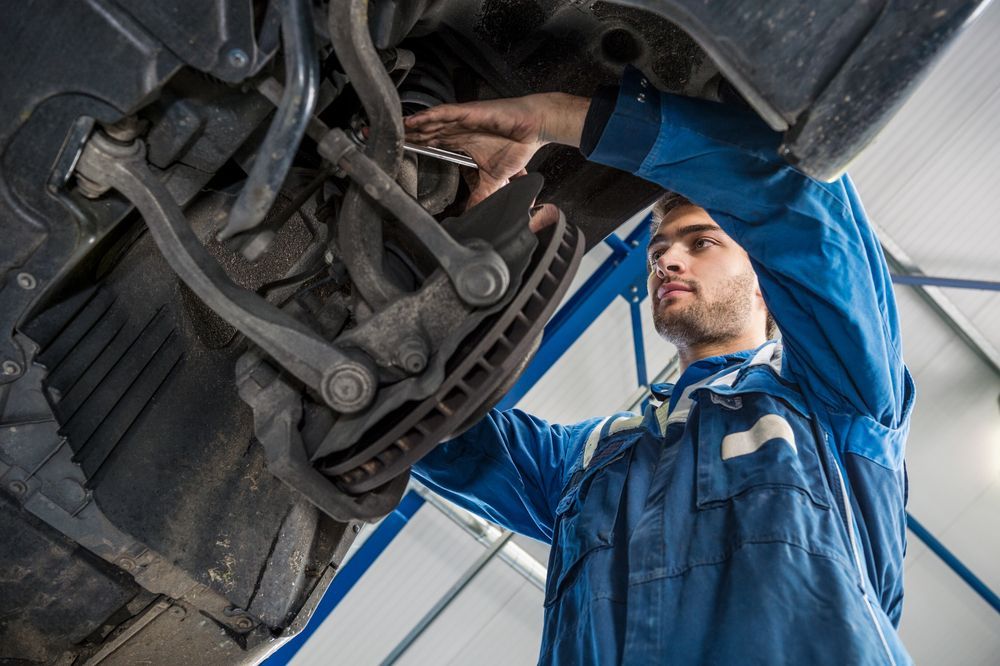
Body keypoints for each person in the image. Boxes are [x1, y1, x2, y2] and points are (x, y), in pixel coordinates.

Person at [404, 68, 914, 665]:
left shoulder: (833, 400)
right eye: (658, 250)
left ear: (765, 282)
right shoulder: (587, 458)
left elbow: (799, 203)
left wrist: (550, 119)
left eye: (702, 242)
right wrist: (457, 269)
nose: (668, 258)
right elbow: (427, 422)